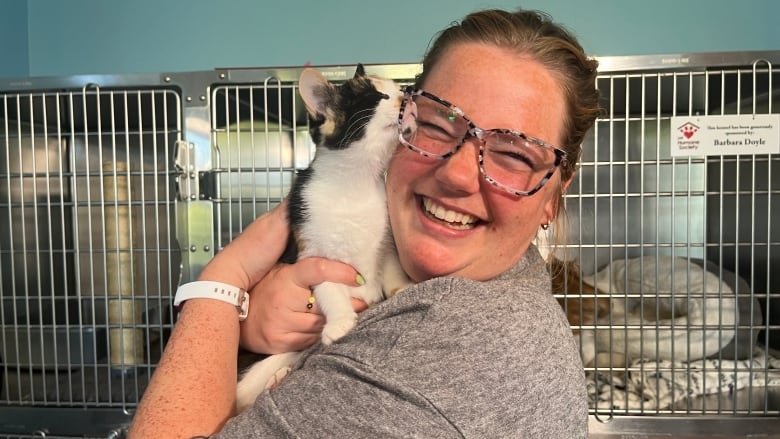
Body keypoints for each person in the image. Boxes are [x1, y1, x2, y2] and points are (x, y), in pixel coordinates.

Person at [129, 7, 600, 438]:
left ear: (553, 197)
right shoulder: (503, 286)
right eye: (437, 123)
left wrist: (222, 283)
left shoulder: (439, 349)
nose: (456, 173)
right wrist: (255, 321)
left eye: (515, 152)